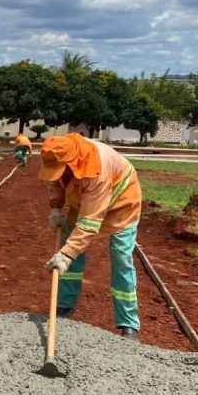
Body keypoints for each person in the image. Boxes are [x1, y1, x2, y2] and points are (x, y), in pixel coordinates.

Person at [39, 133, 142, 339]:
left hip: (121, 203)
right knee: (71, 249)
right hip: (82, 200)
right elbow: (54, 181)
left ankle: (128, 323)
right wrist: (56, 209)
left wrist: (66, 254)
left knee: (121, 257)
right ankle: (64, 305)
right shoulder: (56, 154)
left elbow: (89, 222)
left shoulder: (97, 170)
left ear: (72, 163)